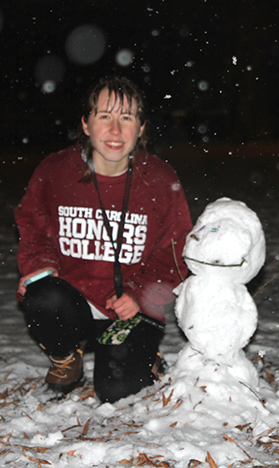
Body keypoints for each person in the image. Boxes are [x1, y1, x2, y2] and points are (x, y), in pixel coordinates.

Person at [15, 76, 192, 403]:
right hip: (74, 303)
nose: (115, 130)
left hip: (131, 310)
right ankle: (65, 357)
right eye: (104, 116)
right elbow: (33, 226)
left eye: (127, 118)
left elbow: (175, 252)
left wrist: (139, 294)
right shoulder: (55, 171)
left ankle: (143, 356)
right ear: (86, 123)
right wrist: (41, 267)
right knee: (42, 296)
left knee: (117, 393)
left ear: (140, 128)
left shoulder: (160, 179)